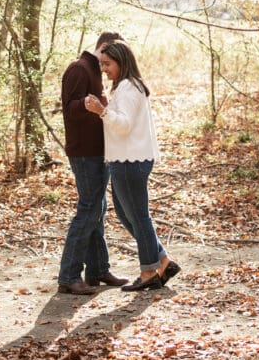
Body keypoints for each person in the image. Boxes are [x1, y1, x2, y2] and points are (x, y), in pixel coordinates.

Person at [85, 40, 180, 292]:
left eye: (107, 64)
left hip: (130, 161)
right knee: (130, 217)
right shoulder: (128, 86)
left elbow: (124, 124)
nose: (104, 69)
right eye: (102, 64)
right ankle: (163, 261)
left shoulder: (129, 88)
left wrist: (100, 111)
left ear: (121, 61)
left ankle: (149, 272)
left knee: (138, 217)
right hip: (125, 160)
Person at [57, 32, 129, 295]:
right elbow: (70, 109)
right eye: (113, 53)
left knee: (98, 209)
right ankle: (68, 275)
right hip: (85, 152)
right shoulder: (79, 68)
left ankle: (98, 269)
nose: (114, 61)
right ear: (104, 47)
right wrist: (89, 106)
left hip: (100, 150)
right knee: (89, 209)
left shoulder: (95, 71)